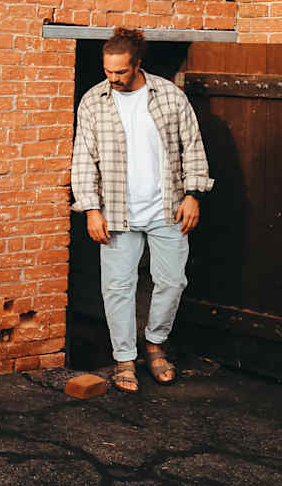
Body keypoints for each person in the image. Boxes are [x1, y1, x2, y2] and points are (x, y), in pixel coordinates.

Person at [70, 27, 212, 393]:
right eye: (107, 71)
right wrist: (90, 209)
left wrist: (193, 194)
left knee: (172, 281)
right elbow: (83, 159)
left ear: (137, 65)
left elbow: (191, 145)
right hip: (116, 211)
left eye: (120, 72)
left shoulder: (168, 96)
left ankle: (154, 346)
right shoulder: (93, 101)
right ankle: (123, 360)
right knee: (118, 287)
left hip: (168, 208)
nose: (113, 78)